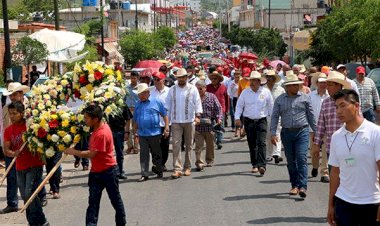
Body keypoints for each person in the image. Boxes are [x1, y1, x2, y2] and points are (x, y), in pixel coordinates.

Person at [64, 105, 127, 226]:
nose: (85, 120)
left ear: (96, 119)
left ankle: (121, 223)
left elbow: (91, 154)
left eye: (87, 118)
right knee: (93, 203)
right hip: (96, 172)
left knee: (115, 200)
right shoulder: (96, 128)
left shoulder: (102, 133)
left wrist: (73, 152)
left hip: (109, 172)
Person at [327, 89, 380, 226]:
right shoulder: (336, 137)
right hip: (344, 203)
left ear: (356, 106)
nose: (338, 111)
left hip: (372, 203)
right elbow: (335, 172)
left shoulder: (375, 133)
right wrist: (331, 205)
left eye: (343, 105)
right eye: (336, 107)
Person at [1, 83, 47, 214]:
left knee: (31, 183)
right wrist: (5, 145)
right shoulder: (6, 108)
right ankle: (12, 203)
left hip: (29, 149)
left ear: (21, 93)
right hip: (12, 143)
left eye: (15, 94)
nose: (13, 97)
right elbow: (4, 125)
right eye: (11, 94)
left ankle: (41, 196)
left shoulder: (32, 107)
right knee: (12, 176)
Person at [270, 72, 316, 198]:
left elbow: (311, 116)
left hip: (302, 131)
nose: (296, 87)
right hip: (286, 132)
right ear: (287, 87)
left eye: (297, 85)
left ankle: (303, 186)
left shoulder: (305, 98)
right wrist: (273, 133)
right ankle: (294, 185)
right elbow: (274, 117)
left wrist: (317, 132)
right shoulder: (280, 100)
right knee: (291, 161)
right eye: (294, 85)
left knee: (302, 158)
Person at [312, 71, 352, 182]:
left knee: (348, 179)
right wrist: (316, 144)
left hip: (349, 148)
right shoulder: (325, 103)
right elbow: (321, 125)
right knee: (334, 180)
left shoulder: (350, 101)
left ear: (339, 86)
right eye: (326, 84)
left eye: (330, 85)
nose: (327, 87)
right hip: (331, 148)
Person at [165, 68, 203, 179]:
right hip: (176, 120)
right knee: (176, 145)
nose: (181, 79)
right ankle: (177, 169)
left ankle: (187, 167)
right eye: (179, 77)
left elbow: (197, 102)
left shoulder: (193, 89)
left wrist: (198, 116)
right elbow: (167, 105)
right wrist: (167, 121)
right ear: (177, 78)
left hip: (189, 120)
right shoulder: (172, 89)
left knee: (189, 145)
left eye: (183, 77)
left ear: (186, 77)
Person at [235, 71, 274, 176]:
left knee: (262, 142)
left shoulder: (266, 92)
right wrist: (237, 118)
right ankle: (254, 164)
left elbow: (271, 106)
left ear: (259, 81)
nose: (251, 82)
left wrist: (274, 121)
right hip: (249, 121)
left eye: (254, 80)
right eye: (250, 80)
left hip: (262, 120)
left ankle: (262, 165)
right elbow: (239, 106)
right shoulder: (245, 92)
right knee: (252, 143)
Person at [133, 83, 169, 182]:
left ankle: (159, 169)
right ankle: (144, 174)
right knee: (143, 154)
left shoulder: (156, 101)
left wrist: (166, 127)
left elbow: (165, 115)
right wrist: (134, 132)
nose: (141, 96)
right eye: (139, 94)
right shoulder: (137, 104)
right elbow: (135, 119)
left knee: (156, 153)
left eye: (143, 93)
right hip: (142, 133)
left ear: (148, 92)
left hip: (155, 133)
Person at [195, 80, 222, 170]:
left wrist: (219, 118)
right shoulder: (194, 97)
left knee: (210, 145)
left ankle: (209, 160)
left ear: (205, 88)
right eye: (197, 89)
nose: (198, 90)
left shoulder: (212, 97)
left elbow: (218, 108)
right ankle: (199, 163)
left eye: (200, 89)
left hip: (210, 126)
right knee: (198, 146)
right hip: (197, 126)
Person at [308, 73, 330, 182]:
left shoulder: (330, 96)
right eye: (320, 82)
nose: (323, 84)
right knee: (314, 151)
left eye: (325, 82)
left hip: (327, 128)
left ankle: (324, 172)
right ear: (316, 84)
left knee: (326, 150)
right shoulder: (310, 96)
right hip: (313, 128)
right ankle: (315, 166)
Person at [149, 72, 170, 172]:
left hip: (165, 122)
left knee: (164, 145)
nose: (156, 81)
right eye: (154, 79)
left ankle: (162, 163)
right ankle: (157, 163)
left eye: (158, 79)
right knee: (153, 145)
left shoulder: (169, 91)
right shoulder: (150, 91)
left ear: (163, 80)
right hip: (153, 123)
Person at [264, 70, 285, 164]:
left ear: (274, 78)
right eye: (267, 77)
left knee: (277, 133)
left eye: (271, 77)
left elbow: (284, 102)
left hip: (278, 115)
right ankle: (269, 154)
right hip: (266, 115)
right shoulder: (263, 89)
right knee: (268, 135)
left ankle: (277, 154)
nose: (269, 79)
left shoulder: (280, 89)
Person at [108, 101, 133, 180]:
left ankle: (120, 171)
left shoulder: (122, 104)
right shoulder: (105, 105)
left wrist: (127, 131)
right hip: (108, 132)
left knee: (119, 152)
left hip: (119, 131)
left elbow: (128, 118)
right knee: (108, 153)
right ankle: (110, 172)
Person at [207, 71, 229, 150]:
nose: (213, 80)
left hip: (221, 110)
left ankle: (219, 141)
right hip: (210, 110)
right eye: (212, 78)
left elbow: (226, 99)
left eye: (215, 78)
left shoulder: (223, 87)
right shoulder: (207, 87)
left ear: (219, 79)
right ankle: (213, 140)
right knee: (211, 127)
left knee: (220, 126)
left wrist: (226, 111)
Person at [125, 71, 140, 154]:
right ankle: (129, 146)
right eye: (131, 78)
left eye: (134, 78)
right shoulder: (127, 88)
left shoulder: (139, 88)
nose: (133, 79)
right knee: (128, 129)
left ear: (137, 78)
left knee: (135, 129)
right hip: (128, 110)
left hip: (136, 110)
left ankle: (136, 147)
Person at [227, 70, 241, 137]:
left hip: (241, 99)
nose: (237, 78)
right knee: (234, 114)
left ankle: (240, 128)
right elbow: (229, 92)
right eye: (236, 76)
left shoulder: (242, 82)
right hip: (234, 99)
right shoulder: (231, 83)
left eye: (238, 76)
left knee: (241, 114)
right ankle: (235, 127)